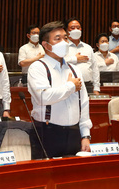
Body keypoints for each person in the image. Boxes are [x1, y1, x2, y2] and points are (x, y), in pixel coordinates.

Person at [27, 21, 92, 157]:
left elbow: (83, 103)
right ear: (46, 45)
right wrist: (70, 87)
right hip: (48, 131)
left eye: (65, 38)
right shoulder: (38, 68)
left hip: (73, 133)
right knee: (46, 176)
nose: (64, 42)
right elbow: (43, 97)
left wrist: (85, 134)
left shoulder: (74, 70)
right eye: (58, 39)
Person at [65, 18, 100, 95]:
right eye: (72, 28)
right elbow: (58, 62)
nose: (76, 30)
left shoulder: (88, 47)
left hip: (88, 85)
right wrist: (74, 59)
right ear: (67, 31)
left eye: (78, 27)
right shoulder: (63, 47)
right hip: (69, 85)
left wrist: (96, 87)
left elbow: (94, 68)